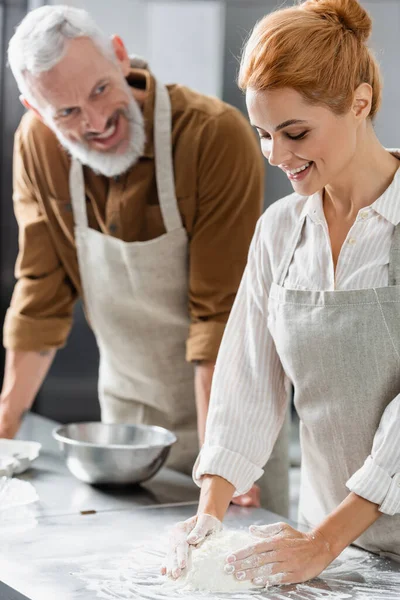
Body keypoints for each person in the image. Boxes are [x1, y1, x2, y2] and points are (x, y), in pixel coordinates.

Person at [0, 5, 290, 511]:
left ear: (118, 56)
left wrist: (222, 467)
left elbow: (219, 318)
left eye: (99, 91)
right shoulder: (39, 148)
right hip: (126, 424)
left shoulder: (211, 136)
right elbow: (39, 296)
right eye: (65, 113)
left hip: (231, 414)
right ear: (34, 108)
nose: (95, 123)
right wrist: (3, 435)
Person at [163, 0, 400, 587]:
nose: (275, 155)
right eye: (264, 134)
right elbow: (248, 375)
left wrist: (325, 540)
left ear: (361, 103)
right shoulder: (281, 229)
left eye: (295, 132)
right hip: (332, 550)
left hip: (332, 539)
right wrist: (209, 516)